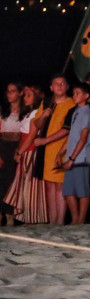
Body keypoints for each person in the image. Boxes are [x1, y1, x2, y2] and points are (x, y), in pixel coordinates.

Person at [34, 74, 74, 225]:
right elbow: (37, 125)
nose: (60, 85)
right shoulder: (47, 102)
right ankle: (52, 220)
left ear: (67, 87)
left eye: (63, 83)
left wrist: (45, 140)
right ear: (51, 87)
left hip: (62, 148)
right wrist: (43, 115)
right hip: (46, 151)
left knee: (60, 187)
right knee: (49, 186)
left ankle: (60, 220)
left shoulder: (71, 103)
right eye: (56, 83)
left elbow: (67, 130)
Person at [3, 86, 45, 224]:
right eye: (25, 95)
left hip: (29, 150)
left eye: (28, 95)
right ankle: (26, 217)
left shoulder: (34, 114)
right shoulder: (29, 113)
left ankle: (31, 217)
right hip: (23, 149)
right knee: (24, 185)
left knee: (29, 185)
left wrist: (20, 151)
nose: (25, 98)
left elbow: (32, 135)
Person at [58, 84, 90, 225]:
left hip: (81, 158)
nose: (75, 95)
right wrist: (60, 153)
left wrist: (72, 158)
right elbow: (72, 136)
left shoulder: (87, 113)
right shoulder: (76, 112)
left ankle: (81, 219)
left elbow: (83, 138)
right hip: (71, 157)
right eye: (74, 93)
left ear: (86, 96)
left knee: (82, 191)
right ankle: (75, 218)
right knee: (68, 191)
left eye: (78, 93)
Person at [0, 83, 28, 226]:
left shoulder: (26, 111)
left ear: (20, 93)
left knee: (12, 183)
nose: (9, 94)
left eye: (13, 91)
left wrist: (20, 150)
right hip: (3, 147)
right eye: (8, 91)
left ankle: (10, 215)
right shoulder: (3, 111)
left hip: (17, 148)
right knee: (1, 182)